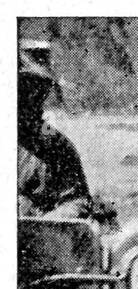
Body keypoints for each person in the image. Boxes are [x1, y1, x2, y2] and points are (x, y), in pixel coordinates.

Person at [18, 39, 91, 219]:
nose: (30, 96)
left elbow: (77, 201)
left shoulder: (56, 145)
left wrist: (48, 222)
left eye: (38, 89)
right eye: (23, 87)